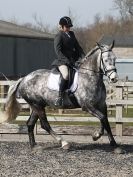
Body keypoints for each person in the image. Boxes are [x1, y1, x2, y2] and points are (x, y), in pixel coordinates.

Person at [52, 16, 85, 106]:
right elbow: (58, 51)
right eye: (66, 27)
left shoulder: (72, 34)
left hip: (73, 61)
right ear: (61, 26)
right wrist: (66, 61)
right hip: (62, 61)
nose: (68, 28)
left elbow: (78, 47)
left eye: (69, 27)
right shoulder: (59, 35)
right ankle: (59, 97)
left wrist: (83, 57)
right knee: (66, 75)